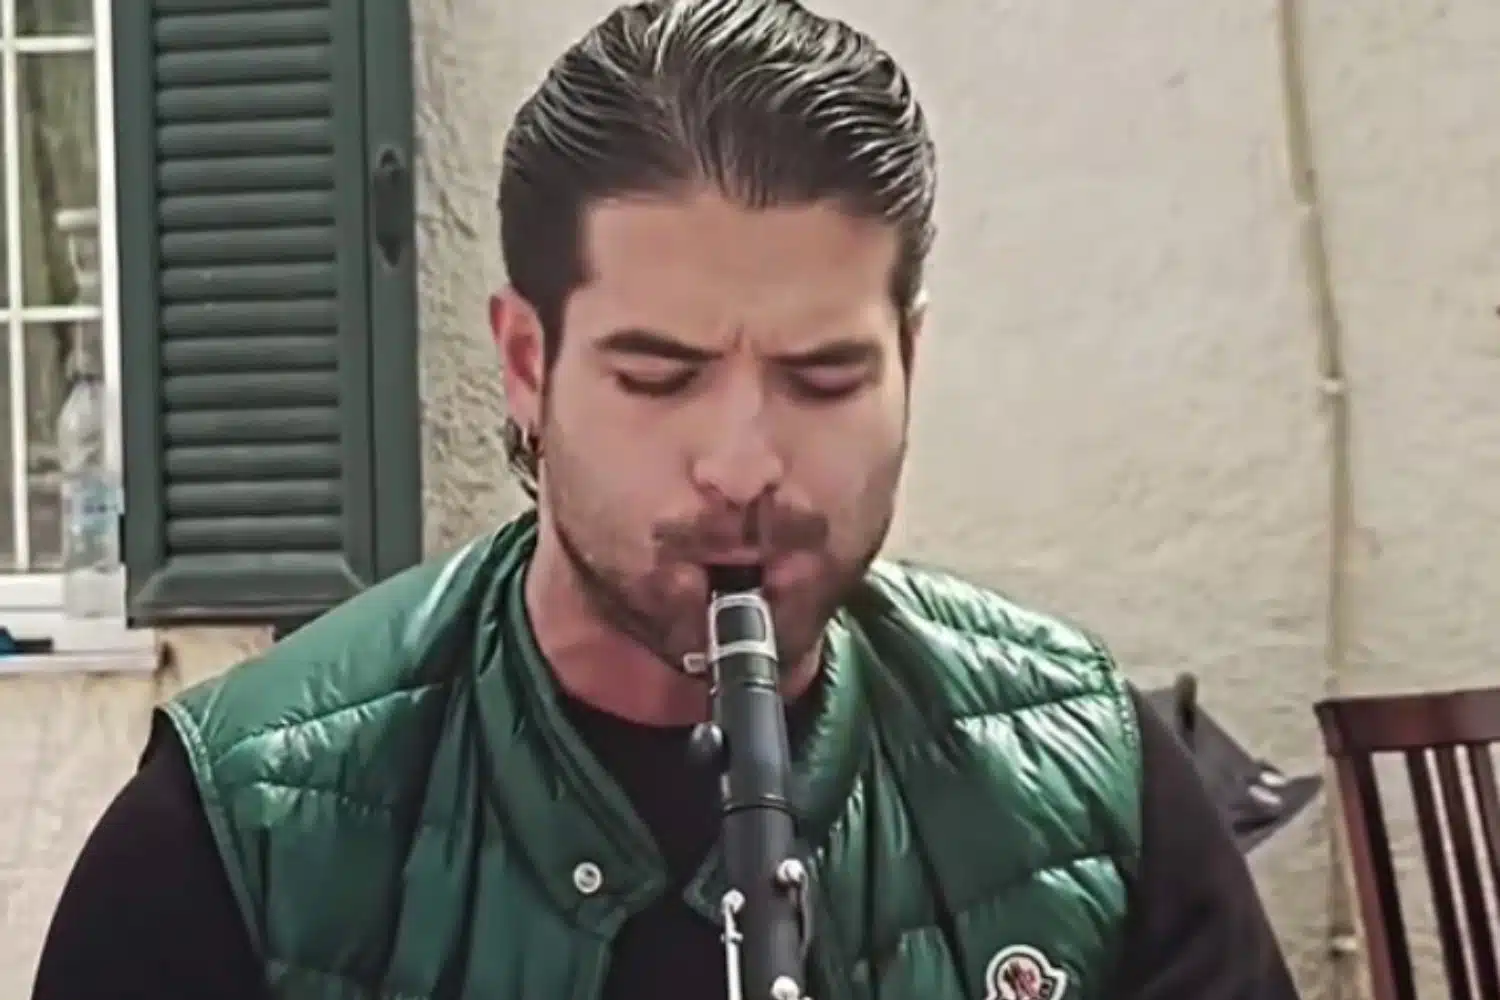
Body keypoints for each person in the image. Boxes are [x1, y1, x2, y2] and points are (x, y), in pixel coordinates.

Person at [32, 2, 1301, 998]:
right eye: (658, 375)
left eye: (824, 376)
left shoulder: (1097, 785)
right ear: (527, 364)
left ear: (909, 362)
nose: (743, 463)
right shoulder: (234, 834)